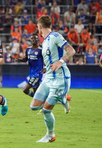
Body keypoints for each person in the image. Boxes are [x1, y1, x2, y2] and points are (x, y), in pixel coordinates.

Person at [31, 15, 75, 143]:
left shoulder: (55, 36)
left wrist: (60, 62)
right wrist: (47, 68)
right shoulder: (44, 42)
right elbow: (50, 59)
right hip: (48, 78)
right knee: (34, 106)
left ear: (40, 26)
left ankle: (51, 135)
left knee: (46, 109)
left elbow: (71, 51)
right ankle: (63, 98)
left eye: (37, 27)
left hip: (59, 79)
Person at [16, 33, 44, 97]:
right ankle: (40, 101)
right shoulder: (28, 49)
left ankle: (39, 100)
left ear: (38, 40)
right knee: (37, 93)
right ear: (30, 40)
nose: (33, 40)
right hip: (31, 74)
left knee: (25, 89)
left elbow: (47, 59)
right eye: (32, 38)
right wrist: (19, 59)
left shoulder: (41, 50)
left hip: (37, 74)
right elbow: (26, 59)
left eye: (35, 38)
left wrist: (46, 68)